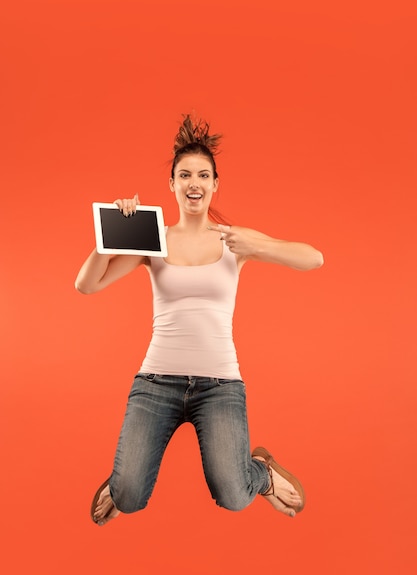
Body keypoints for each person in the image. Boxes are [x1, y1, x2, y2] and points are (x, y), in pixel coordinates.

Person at [75, 114, 324, 526]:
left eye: (203, 175)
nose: (194, 183)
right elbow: (87, 285)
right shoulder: (152, 238)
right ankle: (124, 484)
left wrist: (259, 243)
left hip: (220, 386)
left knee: (233, 495)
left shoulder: (233, 240)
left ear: (215, 185)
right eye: (185, 175)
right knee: (130, 497)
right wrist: (114, 232)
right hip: (157, 383)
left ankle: (261, 473)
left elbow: (314, 259)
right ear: (172, 184)